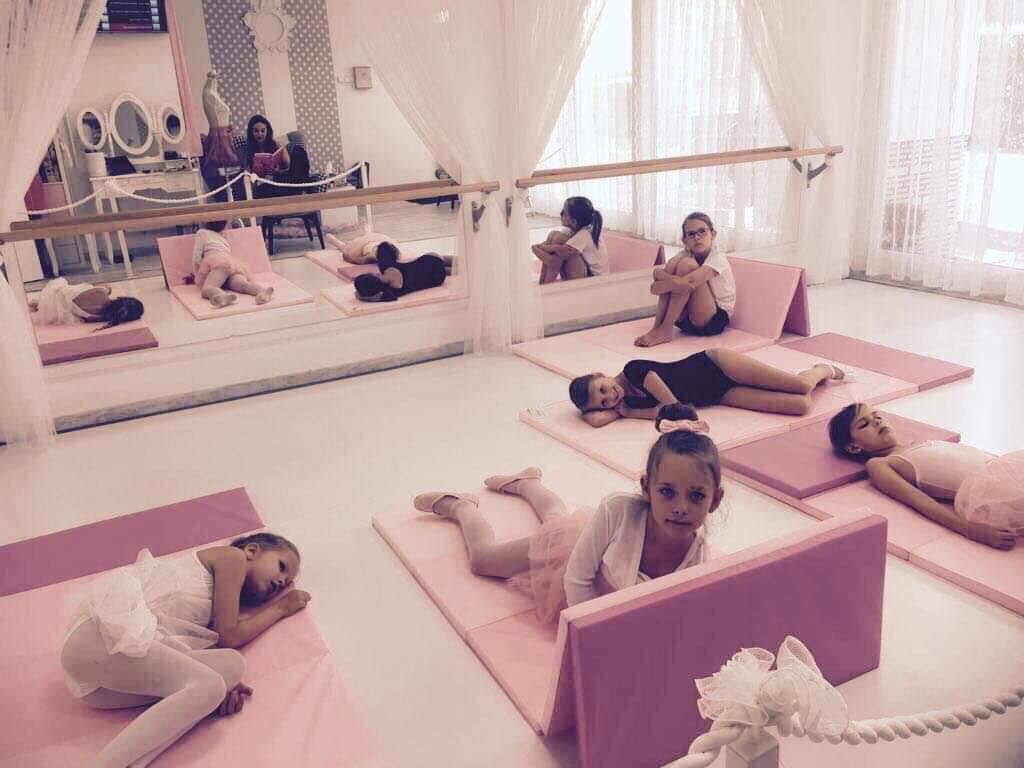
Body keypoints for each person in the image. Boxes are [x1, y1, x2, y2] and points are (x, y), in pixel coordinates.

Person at [412, 412, 722, 623]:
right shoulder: (617, 509)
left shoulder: (699, 556)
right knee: (485, 560)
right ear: (646, 488)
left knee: (555, 518)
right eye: (667, 492)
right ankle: (461, 507)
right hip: (572, 559)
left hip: (591, 543)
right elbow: (575, 579)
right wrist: (594, 631)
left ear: (715, 500)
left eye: (696, 496)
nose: (680, 507)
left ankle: (527, 483)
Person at [60, 533, 310, 767]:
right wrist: (281, 608)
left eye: (285, 585)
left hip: (104, 684)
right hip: (99, 641)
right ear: (251, 551)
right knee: (212, 684)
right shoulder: (232, 558)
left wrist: (212, 698)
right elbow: (229, 636)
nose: (281, 582)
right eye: (281, 567)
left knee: (232, 666)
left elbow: (208, 649)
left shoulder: (210, 614)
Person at [828, 403, 1022, 550]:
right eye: (864, 424)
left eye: (877, 415)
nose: (877, 421)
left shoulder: (920, 443)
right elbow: (918, 501)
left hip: (1004, 470)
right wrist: (970, 530)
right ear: (854, 447)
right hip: (989, 491)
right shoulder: (880, 463)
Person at [568, 350, 845, 427]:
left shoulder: (633, 370)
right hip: (719, 395)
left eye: (602, 389)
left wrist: (629, 413)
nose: (610, 397)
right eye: (603, 402)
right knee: (800, 405)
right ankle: (814, 374)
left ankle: (823, 369)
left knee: (800, 386)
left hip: (717, 365)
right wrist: (625, 412)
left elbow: (675, 408)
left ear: (601, 375)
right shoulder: (627, 404)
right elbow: (595, 420)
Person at [635, 212, 736, 347]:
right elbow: (662, 287)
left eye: (702, 231)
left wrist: (659, 276)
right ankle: (657, 327)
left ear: (713, 234)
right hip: (685, 322)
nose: (697, 238)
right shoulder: (684, 254)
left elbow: (685, 283)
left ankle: (666, 328)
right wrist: (662, 276)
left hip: (712, 320)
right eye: (691, 234)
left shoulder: (718, 258)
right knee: (673, 263)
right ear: (685, 240)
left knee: (687, 265)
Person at [188, 220, 274, 308]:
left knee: (208, 288)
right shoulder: (222, 237)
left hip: (218, 263)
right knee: (242, 285)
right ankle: (261, 291)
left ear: (203, 222)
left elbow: (196, 258)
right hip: (233, 264)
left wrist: (197, 274)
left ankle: (222, 296)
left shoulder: (201, 233)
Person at [532, 196, 606, 283]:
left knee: (560, 245)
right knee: (553, 235)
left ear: (574, 221)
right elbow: (547, 249)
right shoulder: (570, 230)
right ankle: (543, 284)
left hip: (594, 280)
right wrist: (537, 248)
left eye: (564, 212)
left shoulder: (585, 234)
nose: (560, 214)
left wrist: (539, 248)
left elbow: (554, 257)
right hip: (585, 273)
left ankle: (547, 284)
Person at [30, 278, 144, 331]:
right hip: (56, 313)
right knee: (73, 309)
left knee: (103, 287)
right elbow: (84, 319)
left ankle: (39, 303)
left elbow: (106, 287)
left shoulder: (102, 292)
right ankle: (39, 305)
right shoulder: (99, 317)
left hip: (54, 294)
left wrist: (107, 290)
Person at [353, 242, 450, 302]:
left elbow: (381, 297)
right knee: (442, 260)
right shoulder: (386, 266)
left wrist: (364, 297)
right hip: (432, 261)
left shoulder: (392, 292)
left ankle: (447, 269)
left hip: (438, 278)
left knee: (441, 270)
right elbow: (384, 249)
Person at [326, 231, 402, 266]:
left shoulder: (396, 254)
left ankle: (333, 240)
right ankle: (334, 240)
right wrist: (347, 255)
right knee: (345, 247)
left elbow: (352, 259)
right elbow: (349, 258)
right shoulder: (371, 258)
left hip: (377, 241)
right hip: (365, 244)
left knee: (344, 247)